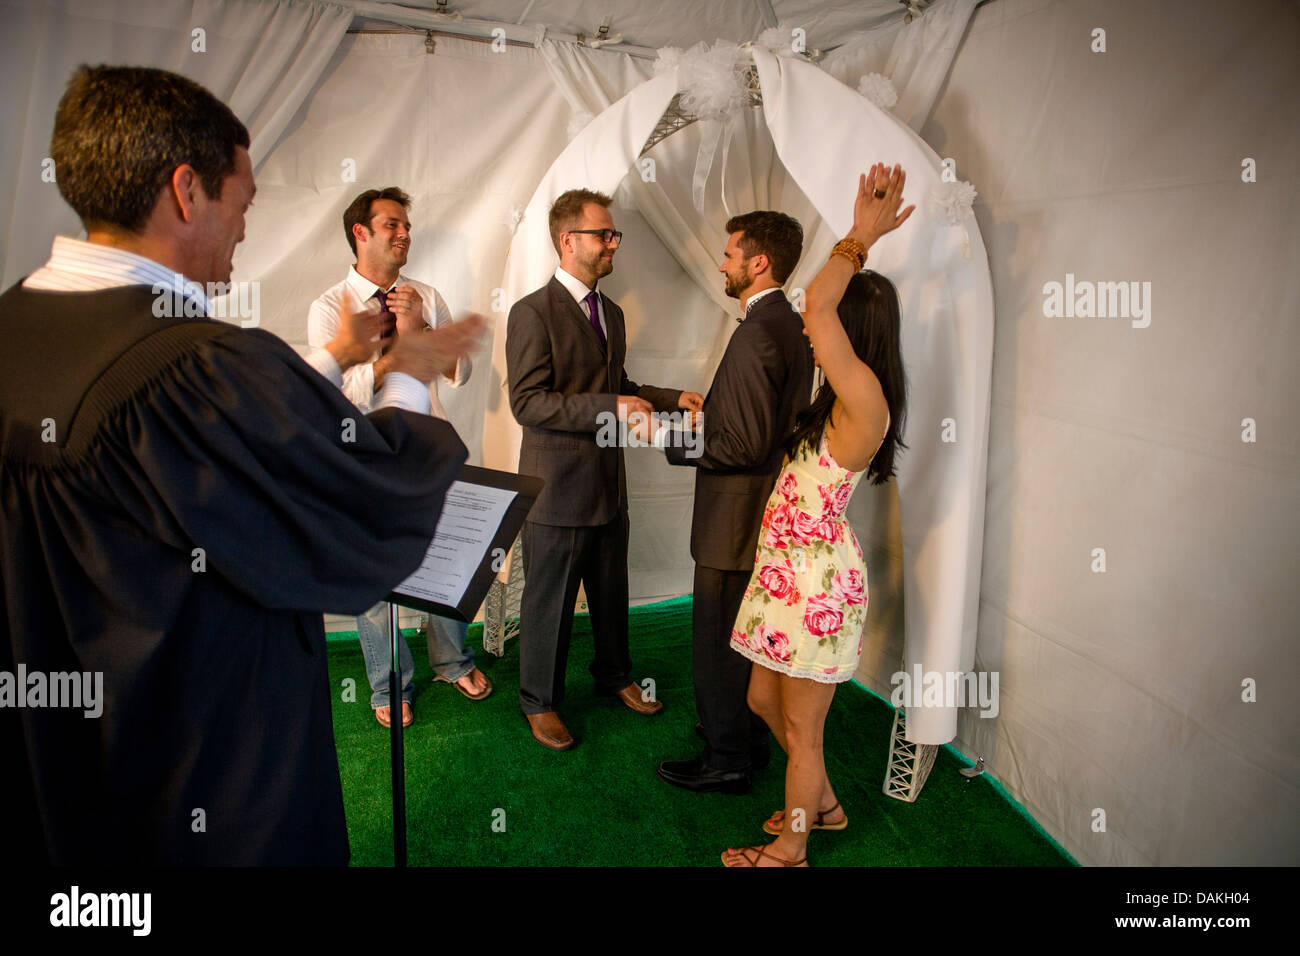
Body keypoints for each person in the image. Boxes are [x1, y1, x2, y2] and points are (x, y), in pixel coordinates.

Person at [0, 65, 482, 865]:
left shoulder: (18, 329)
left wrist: (333, 356)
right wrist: (411, 368)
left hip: (66, 776)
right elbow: (366, 509)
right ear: (187, 192)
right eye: (244, 202)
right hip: (203, 781)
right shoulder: (196, 368)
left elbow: (229, 446)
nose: (247, 227)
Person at [721, 163, 913, 867]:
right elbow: (818, 314)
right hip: (786, 579)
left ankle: (791, 849)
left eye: (825, 328)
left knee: (804, 734)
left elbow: (817, 307)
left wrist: (859, 238)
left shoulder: (865, 399)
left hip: (816, 591)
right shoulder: (837, 400)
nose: (808, 332)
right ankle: (823, 806)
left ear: (854, 331)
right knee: (763, 702)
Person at [505, 188, 703, 750]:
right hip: (557, 492)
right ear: (568, 242)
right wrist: (606, 407)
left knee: (613, 593)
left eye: (614, 234)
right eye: (604, 234)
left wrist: (674, 397)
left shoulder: (611, 313)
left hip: (609, 488)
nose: (613, 243)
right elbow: (528, 402)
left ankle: (615, 676)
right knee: (549, 604)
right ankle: (539, 702)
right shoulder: (530, 313)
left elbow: (620, 389)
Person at [309, 186, 492, 729]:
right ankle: (389, 683)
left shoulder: (426, 295)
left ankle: (452, 660)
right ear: (359, 233)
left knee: (448, 558)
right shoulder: (329, 308)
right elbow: (337, 394)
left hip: (429, 453)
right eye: (391, 225)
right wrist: (400, 353)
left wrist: (422, 331)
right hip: (363, 462)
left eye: (406, 226)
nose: (404, 234)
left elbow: (460, 374)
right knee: (374, 579)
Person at [656, 211, 813, 794]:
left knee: (719, 642)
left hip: (734, 520)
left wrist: (669, 435)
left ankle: (727, 758)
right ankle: (744, 739)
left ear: (758, 262)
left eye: (729, 254)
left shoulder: (756, 332)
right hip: (763, 513)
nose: (721, 263)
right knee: (746, 638)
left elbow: (741, 443)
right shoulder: (789, 324)